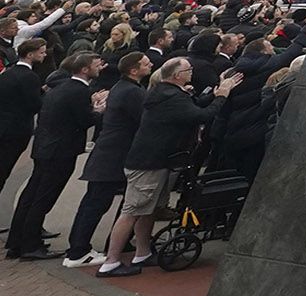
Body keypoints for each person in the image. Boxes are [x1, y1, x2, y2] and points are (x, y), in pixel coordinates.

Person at [98, 58, 239, 276]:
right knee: (133, 210)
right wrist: (221, 97)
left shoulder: (167, 93)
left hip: (157, 160)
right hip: (149, 162)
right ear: (176, 75)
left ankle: (142, 252)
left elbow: (192, 108)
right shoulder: (170, 97)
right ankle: (111, 261)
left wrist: (214, 93)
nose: (191, 72)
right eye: (187, 70)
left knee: (148, 210)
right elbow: (201, 115)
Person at [7, 52, 107, 260]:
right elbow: (83, 120)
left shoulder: (61, 87)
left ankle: (17, 241)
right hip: (61, 151)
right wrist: (98, 111)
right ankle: (30, 245)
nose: (100, 68)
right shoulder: (79, 91)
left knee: (31, 194)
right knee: (43, 198)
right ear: (85, 69)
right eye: (97, 65)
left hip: (45, 147)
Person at [62, 53, 151, 267]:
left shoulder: (122, 88)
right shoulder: (132, 92)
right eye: (146, 64)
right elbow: (145, 120)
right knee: (96, 204)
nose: (150, 66)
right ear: (134, 70)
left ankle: (100, 244)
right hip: (113, 156)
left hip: (108, 154)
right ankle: (78, 251)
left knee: (96, 203)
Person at [0, 38, 48, 219]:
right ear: (30, 54)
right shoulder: (29, 77)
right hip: (16, 131)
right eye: (41, 52)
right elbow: (35, 105)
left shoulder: (7, 73)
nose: (44, 55)